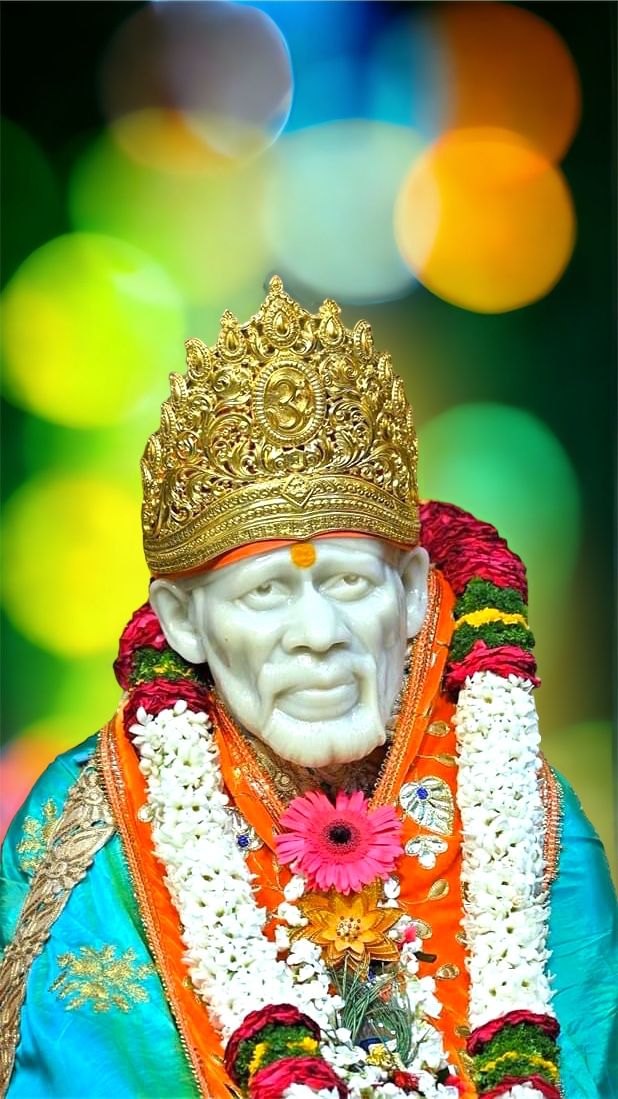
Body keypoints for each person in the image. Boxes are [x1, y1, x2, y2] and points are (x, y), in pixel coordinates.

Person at [1, 277, 616, 1099]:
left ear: (409, 590)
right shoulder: (93, 841)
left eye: (351, 584)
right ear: (183, 621)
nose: (318, 633)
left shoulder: (527, 818)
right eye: (265, 593)